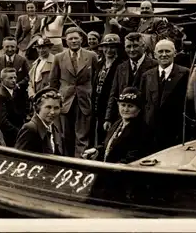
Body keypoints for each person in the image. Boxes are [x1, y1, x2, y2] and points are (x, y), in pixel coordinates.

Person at [49, 27, 98, 157]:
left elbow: (95, 79)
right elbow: (53, 81)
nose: (73, 41)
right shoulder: (59, 57)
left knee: (82, 136)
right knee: (65, 136)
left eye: (76, 38)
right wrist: (55, 101)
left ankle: (81, 162)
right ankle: (66, 162)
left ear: (82, 39)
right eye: (70, 39)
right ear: (66, 41)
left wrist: (90, 94)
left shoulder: (91, 56)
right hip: (65, 101)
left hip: (84, 100)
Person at [140, 39, 190, 152]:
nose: (164, 55)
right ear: (155, 54)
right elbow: (143, 103)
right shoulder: (147, 76)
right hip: (151, 133)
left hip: (175, 132)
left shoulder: (186, 73)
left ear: (175, 53)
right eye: (160, 52)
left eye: (167, 51)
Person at [82, 87, 151, 164]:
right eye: (123, 105)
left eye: (130, 106)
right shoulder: (117, 123)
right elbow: (108, 145)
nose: (125, 109)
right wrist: (97, 150)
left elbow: (134, 157)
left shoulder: (141, 129)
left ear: (139, 109)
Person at [104, 33, 157, 126]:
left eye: (135, 46)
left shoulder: (154, 66)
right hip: (123, 118)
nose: (132, 50)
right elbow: (113, 93)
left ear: (144, 47)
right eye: (129, 46)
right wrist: (108, 118)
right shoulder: (121, 67)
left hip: (145, 120)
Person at [92, 34, 123, 147]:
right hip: (98, 107)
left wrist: (110, 115)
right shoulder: (99, 64)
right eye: (106, 47)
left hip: (112, 109)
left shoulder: (121, 65)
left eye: (112, 47)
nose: (109, 50)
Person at [15, 87, 64, 155]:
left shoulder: (52, 127)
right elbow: (19, 158)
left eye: (56, 108)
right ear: (38, 108)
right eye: (48, 107)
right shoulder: (30, 128)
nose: (52, 112)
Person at [0, 68, 29, 146]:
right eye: (10, 78)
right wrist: (20, 132)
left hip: (18, 133)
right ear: (2, 80)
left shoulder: (16, 92)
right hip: (8, 137)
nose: (13, 80)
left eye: (15, 78)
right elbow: (3, 121)